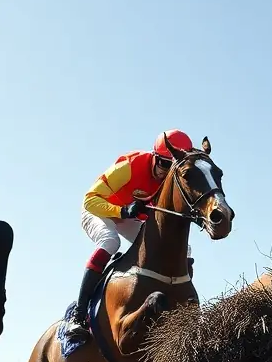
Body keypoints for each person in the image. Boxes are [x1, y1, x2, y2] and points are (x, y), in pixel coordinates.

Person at [62, 129, 195, 343]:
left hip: (127, 215)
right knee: (110, 241)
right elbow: (90, 200)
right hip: (99, 209)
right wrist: (121, 211)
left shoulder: (170, 180)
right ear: (154, 156)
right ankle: (78, 314)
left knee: (179, 249)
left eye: (173, 167)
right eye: (162, 163)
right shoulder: (129, 168)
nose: (165, 172)